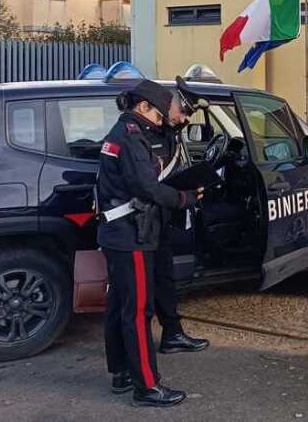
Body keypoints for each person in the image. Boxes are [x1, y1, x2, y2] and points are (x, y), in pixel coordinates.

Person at [96, 79, 200, 408]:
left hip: (119, 234)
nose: (160, 121)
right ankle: (147, 386)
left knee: (119, 308)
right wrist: (186, 198)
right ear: (143, 108)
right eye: (158, 114)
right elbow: (148, 188)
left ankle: (122, 373)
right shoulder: (130, 138)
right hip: (132, 236)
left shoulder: (124, 131)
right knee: (138, 311)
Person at [152, 91, 209, 354]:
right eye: (183, 112)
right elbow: (149, 183)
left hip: (159, 218)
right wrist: (183, 197)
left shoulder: (167, 130)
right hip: (142, 221)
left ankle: (172, 333)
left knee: (164, 277)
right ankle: (132, 359)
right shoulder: (145, 133)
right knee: (138, 290)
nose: (185, 119)